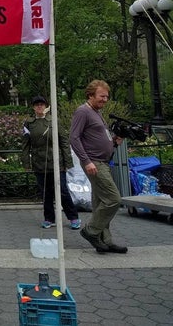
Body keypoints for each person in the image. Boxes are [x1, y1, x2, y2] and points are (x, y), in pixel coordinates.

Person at [69, 80, 127, 254]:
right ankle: (91, 231)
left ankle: (105, 240)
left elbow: (100, 137)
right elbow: (74, 138)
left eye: (107, 97)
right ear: (90, 95)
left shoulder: (97, 112)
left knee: (101, 202)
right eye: (102, 96)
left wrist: (114, 143)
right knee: (113, 199)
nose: (105, 99)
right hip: (94, 163)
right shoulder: (83, 111)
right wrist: (86, 161)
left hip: (102, 161)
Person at [22, 96, 80, 230]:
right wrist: (26, 163)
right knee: (45, 193)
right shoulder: (28, 123)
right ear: (33, 107)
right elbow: (25, 145)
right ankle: (49, 218)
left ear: (46, 106)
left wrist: (67, 162)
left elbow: (64, 142)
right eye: (36, 105)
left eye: (41, 105)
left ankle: (73, 217)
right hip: (39, 163)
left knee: (63, 192)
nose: (39, 107)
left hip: (56, 163)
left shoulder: (54, 121)